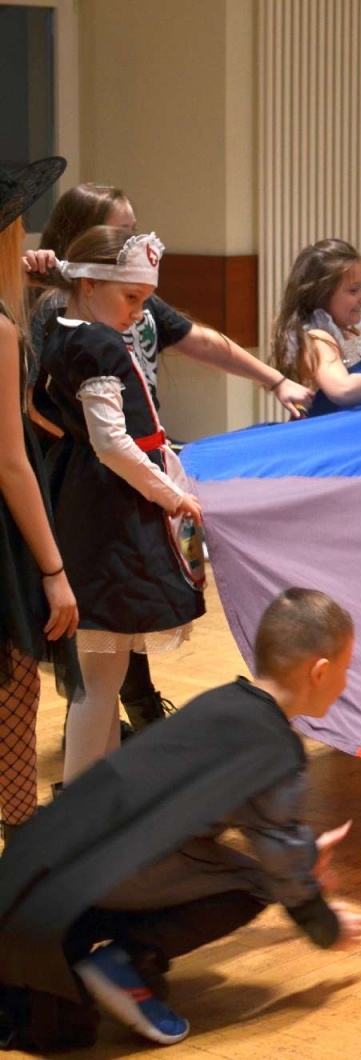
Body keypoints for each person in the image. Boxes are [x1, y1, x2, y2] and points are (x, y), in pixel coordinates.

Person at [0, 588, 361, 1047]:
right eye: (346, 669)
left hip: (37, 864)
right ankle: (127, 964)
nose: (346, 683)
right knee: (257, 883)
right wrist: (324, 922)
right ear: (319, 672)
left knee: (237, 867)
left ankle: (108, 956)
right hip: (105, 870)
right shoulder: (274, 748)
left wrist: (301, 857)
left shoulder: (221, 702)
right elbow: (282, 862)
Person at [23, 182, 314, 735]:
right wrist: (111, 454)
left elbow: (200, 340)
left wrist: (275, 380)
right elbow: (40, 401)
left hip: (130, 472)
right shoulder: (67, 314)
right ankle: (129, 739)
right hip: (96, 479)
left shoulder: (129, 295)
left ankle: (131, 737)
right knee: (106, 628)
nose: (136, 238)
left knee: (122, 623)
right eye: (124, 229)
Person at [32, 227, 204, 782]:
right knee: (99, 684)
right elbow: (112, 443)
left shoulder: (64, 332)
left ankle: (96, 809)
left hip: (87, 501)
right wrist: (172, 496)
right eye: (131, 297)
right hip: (107, 518)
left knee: (101, 682)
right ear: (89, 284)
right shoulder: (98, 343)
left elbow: (51, 414)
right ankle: (81, 822)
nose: (138, 312)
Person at [0, 158, 79, 846]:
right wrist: (54, 571)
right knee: (15, 688)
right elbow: (10, 460)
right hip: (6, 532)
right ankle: (22, 854)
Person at [267, 239, 361, 405]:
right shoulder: (318, 339)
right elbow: (342, 389)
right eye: (353, 290)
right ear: (320, 295)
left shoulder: (351, 335)